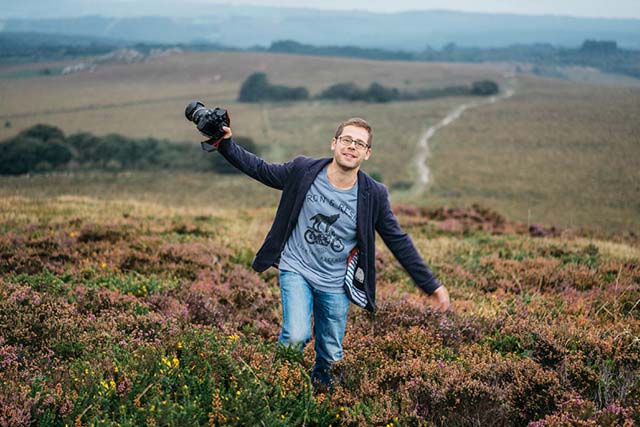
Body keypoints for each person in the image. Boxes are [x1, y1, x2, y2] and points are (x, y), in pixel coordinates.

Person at [213, 118, 450, 388]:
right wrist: (225, 144)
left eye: (359, 143)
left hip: (336, 283)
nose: (352, 147)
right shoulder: (304, 170)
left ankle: (323, 400)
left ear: (367, 153)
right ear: (334, 143)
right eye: (346, 140)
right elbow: (262, 170)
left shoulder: (373, 194)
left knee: (331, 356)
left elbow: (398, 241)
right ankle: (276, 390)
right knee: (296, 335)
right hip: (296, 267)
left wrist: (430, 285)